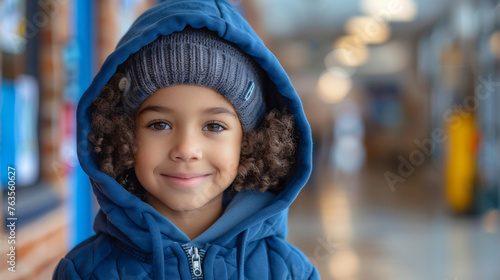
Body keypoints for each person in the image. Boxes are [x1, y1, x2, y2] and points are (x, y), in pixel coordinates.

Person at [53, 1, 318, 279]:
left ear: (251, 141)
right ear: (122, 135)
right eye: (160, 124)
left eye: (214, 126)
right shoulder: (84, 271)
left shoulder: (291, 272)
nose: (186, 150)